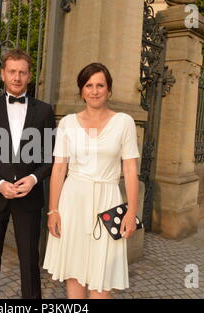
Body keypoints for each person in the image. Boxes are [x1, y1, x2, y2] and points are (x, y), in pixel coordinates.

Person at [43, 63, 140, 299]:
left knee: (102, 278)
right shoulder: (67, 123)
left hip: (107, 202)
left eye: (100, 85)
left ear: (109, 90)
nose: (94, 91)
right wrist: (53, 211)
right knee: (74, 273)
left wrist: (131, 212)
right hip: (73, 201)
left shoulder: (124, 122)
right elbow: (59, 168)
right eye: (89, 85)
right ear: (81, 90)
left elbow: (129, 169)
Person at [0, 49, 56, 299]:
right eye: (12, 71)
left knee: (29, 259)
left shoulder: (44, 111)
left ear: (30, 76)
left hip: (29, 198)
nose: (17, 77)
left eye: (22, 72)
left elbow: (49, 157)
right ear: (3, 74)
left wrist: (33, 179)